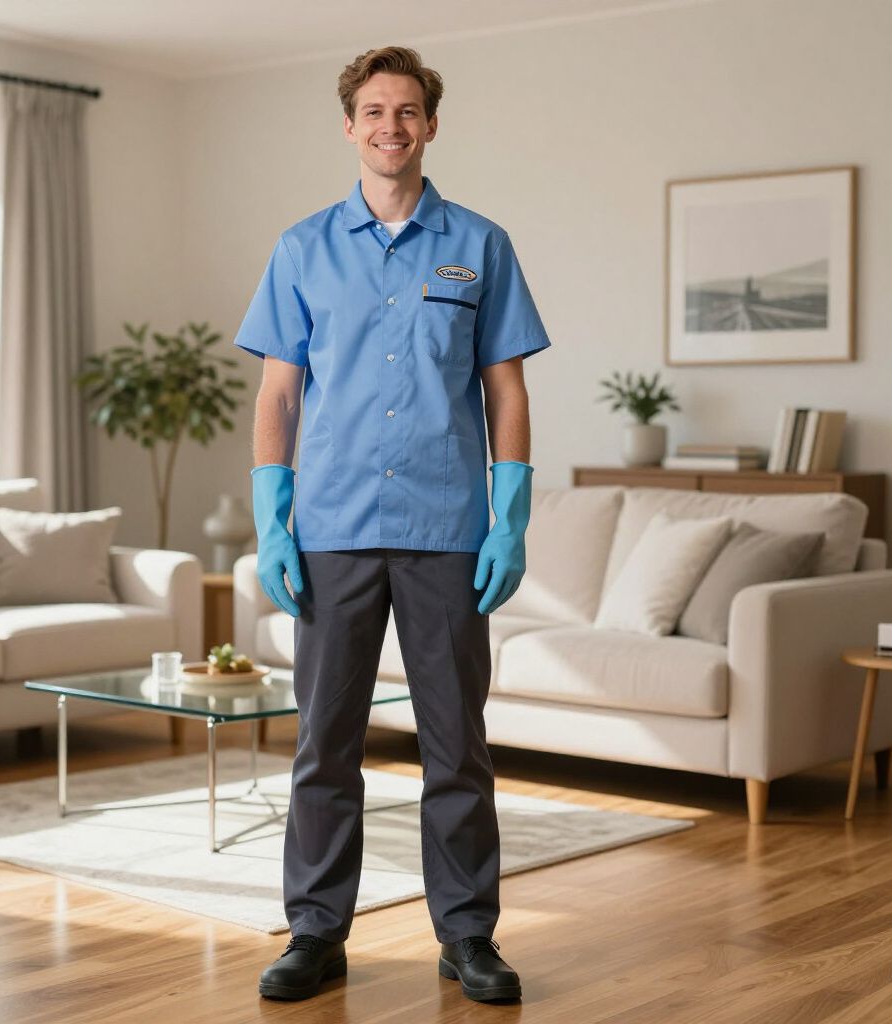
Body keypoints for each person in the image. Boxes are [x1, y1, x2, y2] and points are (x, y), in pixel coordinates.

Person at [233, 45, 551, 1004]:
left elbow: (506, 386)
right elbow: (278, 391)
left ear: (430, 125)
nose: (390, 127)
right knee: (324, 743)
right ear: (349, 126)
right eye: (373, 112)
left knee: (457, 742)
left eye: (407, 111)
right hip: (329, 526)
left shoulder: (481, 244)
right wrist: (272, 515)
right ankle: (316, 932)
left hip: (448, 525)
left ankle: (467, 936)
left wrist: (511, 513)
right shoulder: (301, 248)